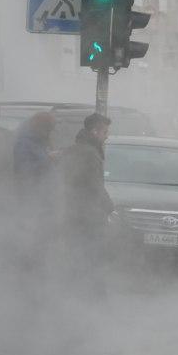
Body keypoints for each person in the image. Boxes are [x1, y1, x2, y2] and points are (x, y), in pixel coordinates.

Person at [62, 113, 114, 300]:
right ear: (95, 131)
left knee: (78, 256)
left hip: (74, 213)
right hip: (86, 216)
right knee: (90, 258)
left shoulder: (77, 149)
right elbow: (95, 186)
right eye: (105, 132)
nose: (107, 136)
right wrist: (109, 206)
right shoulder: (90, 154)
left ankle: (76, 295)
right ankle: (93, 299)